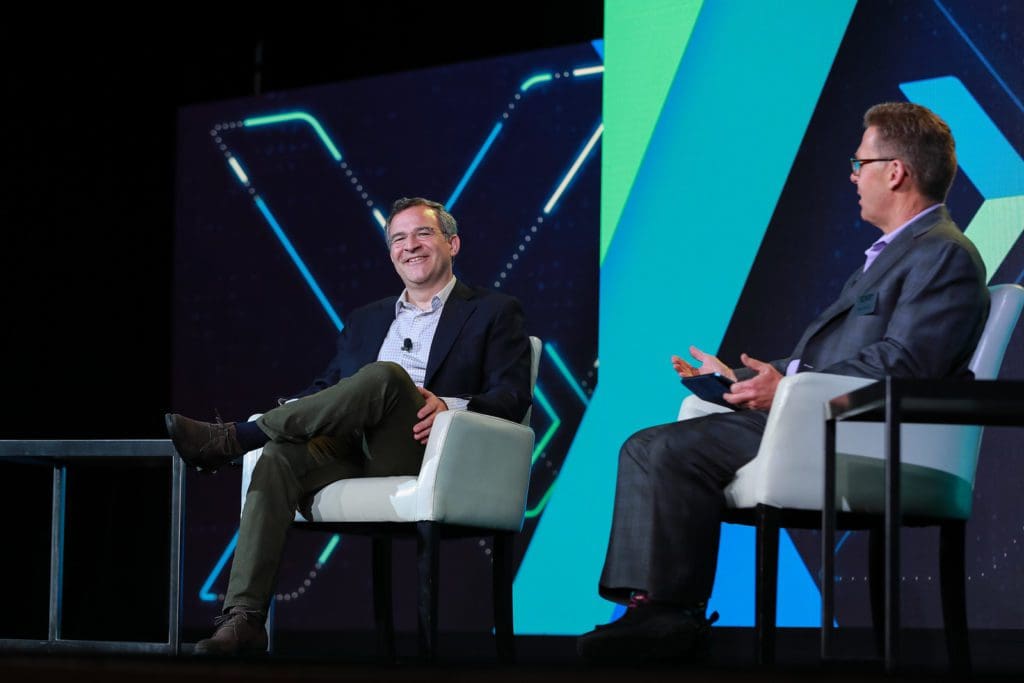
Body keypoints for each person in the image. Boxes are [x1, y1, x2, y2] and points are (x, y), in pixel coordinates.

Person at [577, 102, 990, 662]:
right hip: (817, 418)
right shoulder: (893, 257)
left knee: (659, 451)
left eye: (859, 161)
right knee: (652, 445)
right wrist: (742, 378)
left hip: (857, 432)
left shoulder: (944, 255)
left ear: (895, 171)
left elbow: (905, 364)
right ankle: (658, 611)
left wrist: (788, 384)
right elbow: (833, 359)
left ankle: (667, 617)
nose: (852, 174)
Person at [166, 197, 532, 655]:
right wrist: (288, 413)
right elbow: (327, 387)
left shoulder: (494, 310)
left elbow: (513, 397)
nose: (410, 246)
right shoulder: (367, 318)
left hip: (427, 448)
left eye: (423, 234)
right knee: (278, 457)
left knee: (385, 374)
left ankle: (235, 438)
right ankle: (243, 619)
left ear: (452, 243)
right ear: (390, 253)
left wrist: (450, 405)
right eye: (398, 238)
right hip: (348, 446)